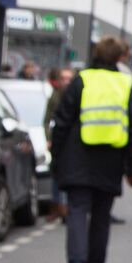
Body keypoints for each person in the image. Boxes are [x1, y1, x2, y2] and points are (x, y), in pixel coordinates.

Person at [48, 36, 132, 263]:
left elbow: (62, 121)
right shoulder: (124, 85)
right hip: (110, 159)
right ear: (119, 58)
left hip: (78, 155)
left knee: (78, 210)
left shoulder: (82, 80)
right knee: (102, 215)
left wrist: (56, 157)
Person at [43, 66, 76, 222]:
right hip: (58, 141)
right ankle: (57, 207)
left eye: (69, 79)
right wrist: (49, 138)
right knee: (56, 173)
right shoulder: (55, 97)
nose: (66, 82)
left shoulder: (78, 96)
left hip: (73, 143)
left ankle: (68, 207)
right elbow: (47, 119)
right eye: (63, 79)